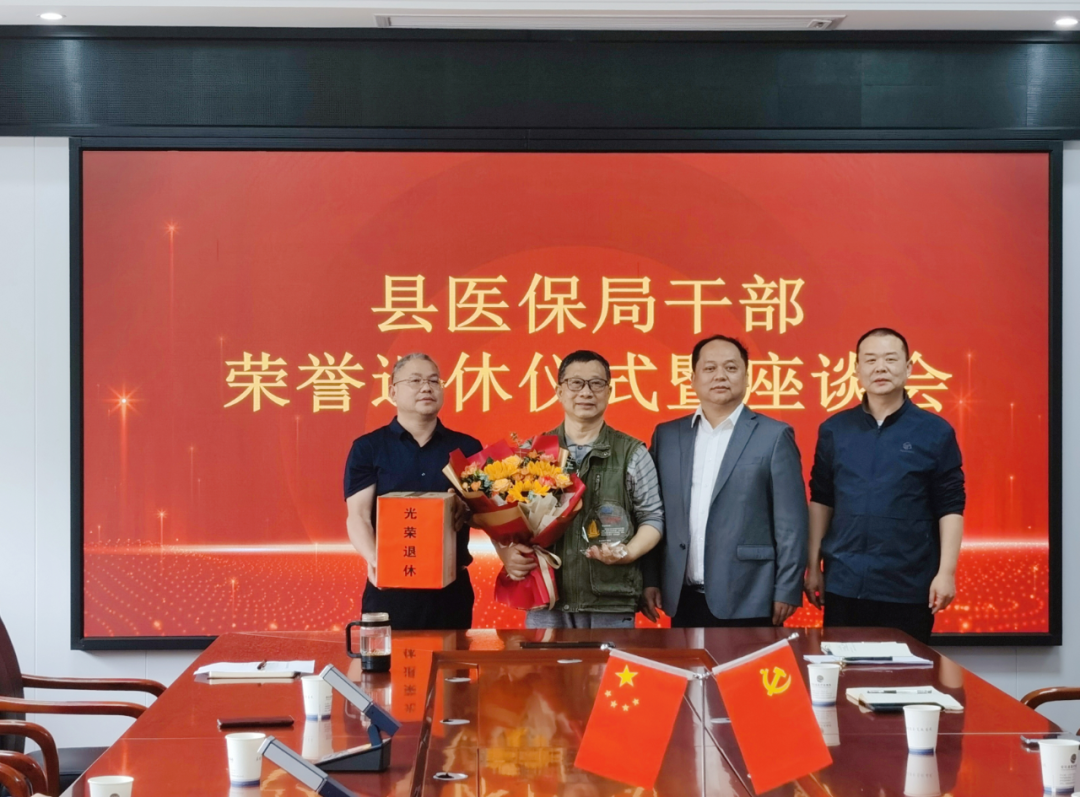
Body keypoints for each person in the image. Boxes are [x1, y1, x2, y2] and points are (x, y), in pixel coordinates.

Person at [804, 328, 965, 644]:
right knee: (843, 671)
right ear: (857, 369)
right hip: (844, 583)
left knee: (906, 673)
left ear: (908, 368)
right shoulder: (835, 430)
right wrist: (813, 566)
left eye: (891, 359)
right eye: (870, 360)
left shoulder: (935, 432)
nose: (880, 368)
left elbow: (950, 506)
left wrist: (946, 573)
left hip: (908, 586)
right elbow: (821, 500)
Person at [643, 334, 808, 627]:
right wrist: (650, 579)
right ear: (693, 379)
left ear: (747, 378)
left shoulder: (774, 436)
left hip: (750, 595)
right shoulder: (667, 436)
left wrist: (787, 587)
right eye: (710, 368)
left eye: (731, 368)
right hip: (681, 596)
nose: (720, 375)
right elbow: (653, 514)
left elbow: (791, 524)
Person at [495, 350, 664, 629]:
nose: (586, 392)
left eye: (596, 383)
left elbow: (653, 517)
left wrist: (629, 552)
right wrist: (506, 553)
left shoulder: (632, 453)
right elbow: (500, 517)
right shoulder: (532, 453)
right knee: (544, 661)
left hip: (611, 599)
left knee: (610, 661)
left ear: (609, 392)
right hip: (547, 596)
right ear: (559, 391)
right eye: (576, 383)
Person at [344, 353, 480, 630]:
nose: (426, 387)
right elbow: (358, 516)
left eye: (434, 381)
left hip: (450, 590)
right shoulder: (368, 448)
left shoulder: (467, 447)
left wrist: (465, 511)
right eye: (415, 381)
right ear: (393, 391)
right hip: (390, 590)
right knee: (387, 660)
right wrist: (377, 561)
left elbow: (484, 513)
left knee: (452, 659)